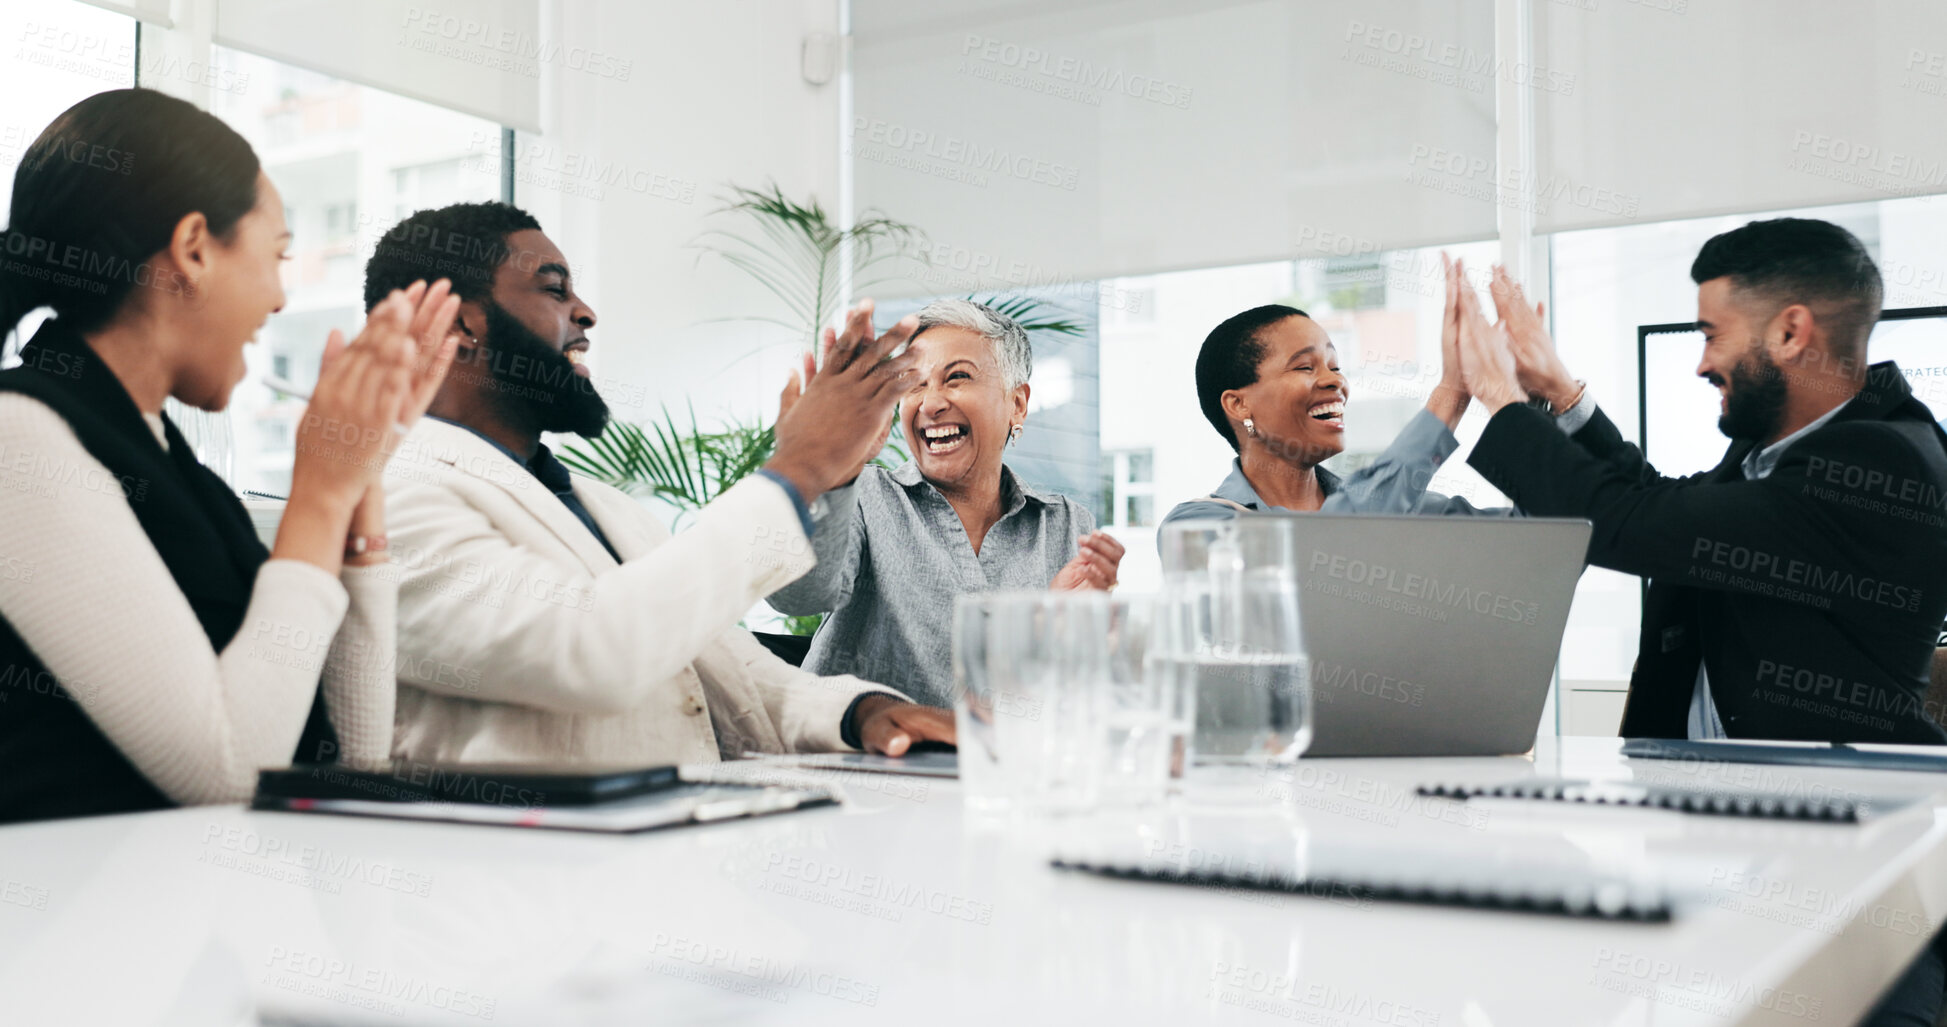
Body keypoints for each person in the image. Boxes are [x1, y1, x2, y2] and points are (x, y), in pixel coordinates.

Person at [1459, 217, 1947, 1027]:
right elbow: (1665, 511)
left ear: (1790, 330)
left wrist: (1499, 400)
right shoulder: (1791, 450)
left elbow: (1632, 522)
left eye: (1711, 333)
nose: (1700, 361)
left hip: (1844, 872)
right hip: (1742, 847)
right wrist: (1562, 395)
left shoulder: (1875, 462)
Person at [0, 89, 459, 824]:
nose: (279, 299)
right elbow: (227, 770)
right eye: (277, 255)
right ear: (192, 249)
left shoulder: (181, 475)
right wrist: (316, 495)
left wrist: (357, 487)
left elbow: (352, 760)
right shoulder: (19, 436)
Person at [364, 202, 955, 764]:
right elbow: (590, 651)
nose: (586, 312)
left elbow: (734, 674)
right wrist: (801, 466)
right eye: (554, 289)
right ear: (464, 323)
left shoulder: (600, 505)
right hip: (518, 864)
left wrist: (863, 713)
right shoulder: (390, 500)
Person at [766, 299, 1124, 707]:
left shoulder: (1064, 524)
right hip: (857, 763)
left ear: (1017, 404)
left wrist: (1067, 634)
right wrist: (828, 466)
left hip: (995, 764)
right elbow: (794, 596)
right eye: (914, 384)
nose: (930, 403)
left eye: (957, 378)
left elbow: (1065, 697)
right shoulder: (861, 494)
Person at [1163, 257, 1544, 529]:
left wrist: (1531, 398)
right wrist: (1452, 393)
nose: (1336, 382)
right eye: (1304, 366)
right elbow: (1328, 549)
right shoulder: (1198, 526)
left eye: (1336, 366)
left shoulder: (1405, 509)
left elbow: (1543, 546)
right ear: (1238, 403)